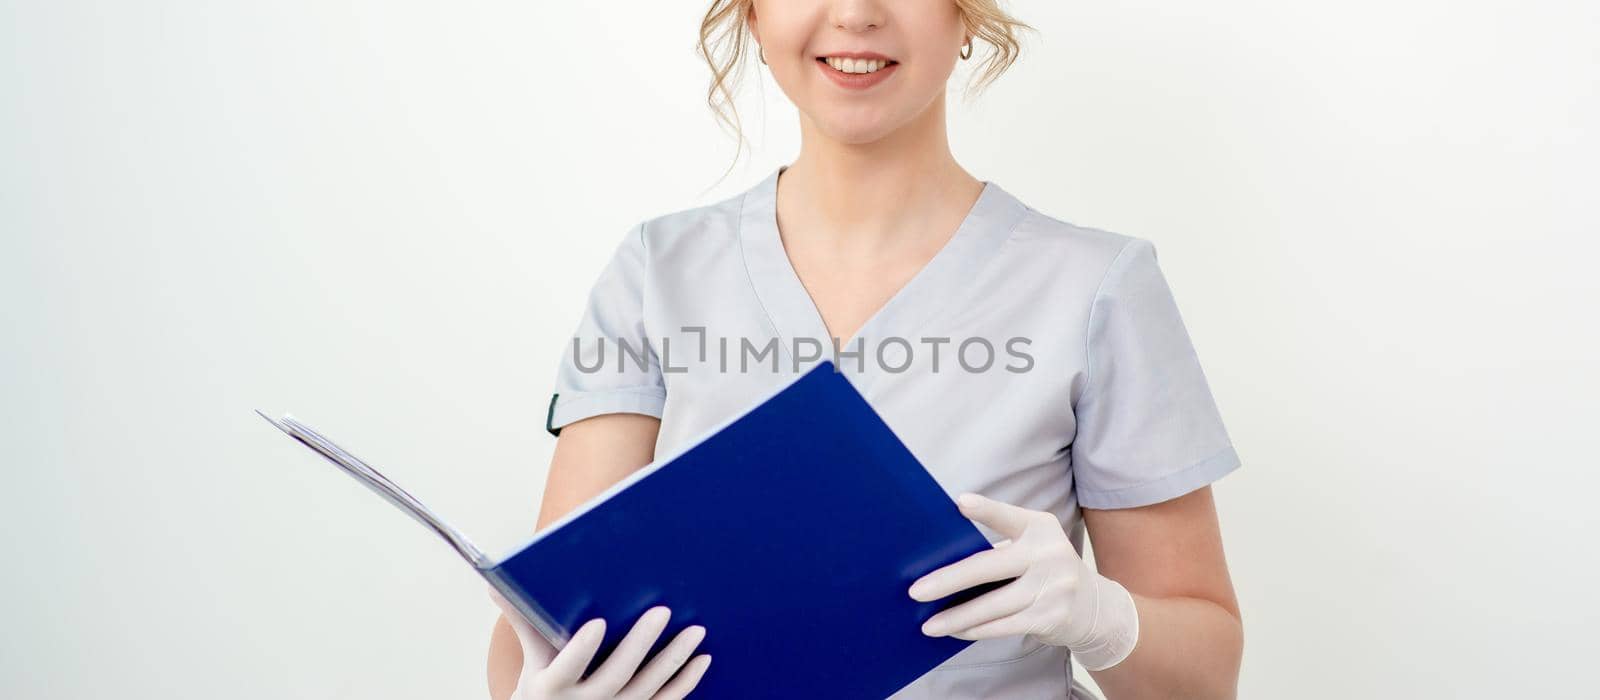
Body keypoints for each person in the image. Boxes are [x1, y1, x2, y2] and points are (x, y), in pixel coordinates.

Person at [487, 1, 1245, 698]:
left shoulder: (1095, 287)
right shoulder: (657, 271)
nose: (854, 14)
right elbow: (535, 627)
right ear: (753, 14)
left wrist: (1102, 618)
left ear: (967, 14)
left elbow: (1205, 680)